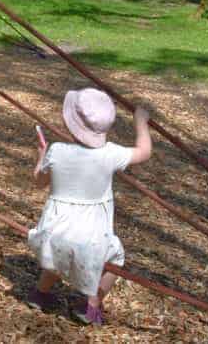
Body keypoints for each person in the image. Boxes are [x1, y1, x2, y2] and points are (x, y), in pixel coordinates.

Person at [25, 89, 152, 326]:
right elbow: (144, 152)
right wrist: (140, 122)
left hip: (52, 233)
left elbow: (39, 181)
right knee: (115, 260)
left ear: (70, 122)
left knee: (59, 254)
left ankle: (39, 295)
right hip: (90, 239)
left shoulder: (57, 151)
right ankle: (91, 306)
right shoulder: (110, 154)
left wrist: (41, 156)